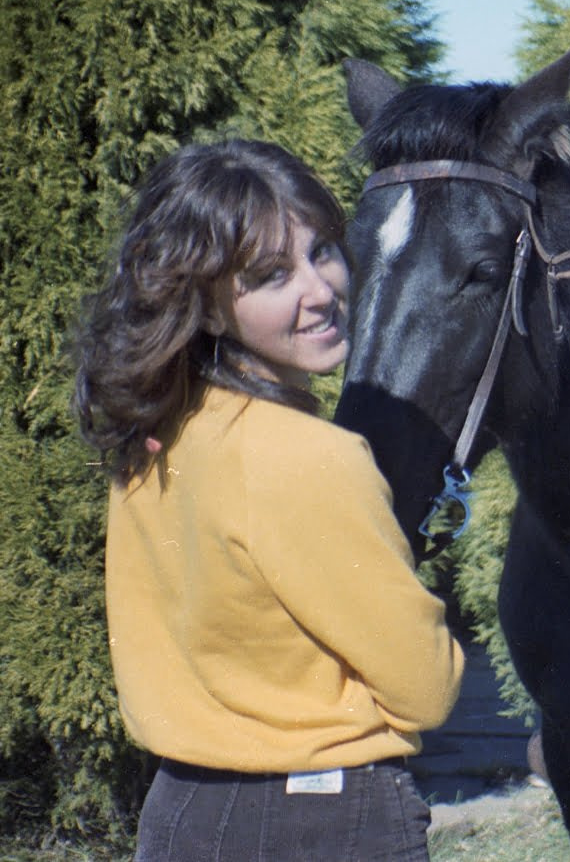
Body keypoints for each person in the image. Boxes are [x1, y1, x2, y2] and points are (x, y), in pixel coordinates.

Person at [72, 140, 464, 861]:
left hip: (179, 812)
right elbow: (428, 685)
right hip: (323, 821)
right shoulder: (313, 457)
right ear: (210, 309)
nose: (319, 289)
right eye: (271, 274)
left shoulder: (154, 436)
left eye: (324, 251)